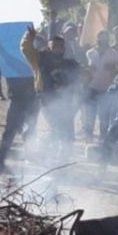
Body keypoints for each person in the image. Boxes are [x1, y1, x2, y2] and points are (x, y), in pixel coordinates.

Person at [22, 26, 80, 157]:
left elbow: (79, 77)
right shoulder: (39, 59)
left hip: (66, 102)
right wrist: (29, 36)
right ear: (49, 46)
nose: (58, 48)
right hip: (48, 100)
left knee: (68, 133)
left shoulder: (69, 62)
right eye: (55, 45)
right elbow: (26, 49)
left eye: (60, 46)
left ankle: (64, 160)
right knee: (56, 129)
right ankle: (42, 151)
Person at [85, 30, 118, 140]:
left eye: (105, 39)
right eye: (101, 39)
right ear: (98, 39)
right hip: (91, 88)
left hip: (106, 89)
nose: (103, 41)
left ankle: (103, 140)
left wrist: (113, 68)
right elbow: (83, 68)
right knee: (90, 115)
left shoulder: (113, 53)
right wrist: (88, 70)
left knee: (104, 116)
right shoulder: (90, 53)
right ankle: (88, 138)